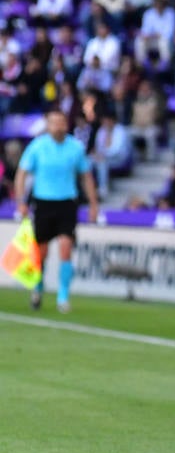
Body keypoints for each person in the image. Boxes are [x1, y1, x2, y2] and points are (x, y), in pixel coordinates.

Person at [14, 108, 100, 313]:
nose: (58, 126)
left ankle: (63, 296)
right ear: (47, 124)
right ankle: (38, 286)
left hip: (67, 203)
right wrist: (20, 201)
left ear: (66, 124)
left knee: (65, 247)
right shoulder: (37, 146)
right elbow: (21, 174)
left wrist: (94, 204)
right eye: (53, 122)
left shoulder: (75, 148)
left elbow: (86, 176)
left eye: (61, 121)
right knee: (41, 252)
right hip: (43, 202)